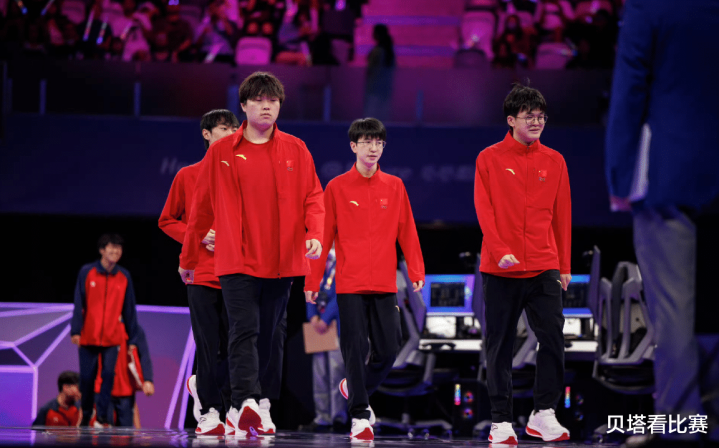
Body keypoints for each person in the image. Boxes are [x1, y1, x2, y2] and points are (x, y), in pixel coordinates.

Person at [178, 71, 324, 438]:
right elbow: (200, 208)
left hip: (282, 261)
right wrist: (188, 258)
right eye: (258, 100)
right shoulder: (222, 152)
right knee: (244, 329)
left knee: (269, 336)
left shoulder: (296, 149)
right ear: (244, 106)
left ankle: (256, 403)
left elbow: (313, 196)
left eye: (272, 100)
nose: (266, 106)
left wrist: (315, 234)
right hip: (236, 259)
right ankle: (244, 401)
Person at [605, 0, 719, 445]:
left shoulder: (649, 6)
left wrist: (619, 176)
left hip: (669, 171)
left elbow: (629, 89)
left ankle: (679, 421)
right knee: (712, 306)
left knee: (673, 307)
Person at [304, 117, 425, 442]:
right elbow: (322, 237)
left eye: (378, 142)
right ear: (353, 146)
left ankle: (355, 388)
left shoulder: (395, 186)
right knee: (353, 351)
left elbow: (408, 230)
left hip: (385, 284)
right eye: (367, 142)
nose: (373, 148)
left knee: (389, 348)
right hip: (349, 285)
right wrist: (312, 282)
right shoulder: (337, 187)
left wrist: (416, 270)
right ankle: (359, 414)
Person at [473, 83, 571, 444]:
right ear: (511, 120)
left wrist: (564, 265)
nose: (537, 122)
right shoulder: (489, 158)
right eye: (529, 116)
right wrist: (499, 250)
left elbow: (562, 215)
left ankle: (544, 413)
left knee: (553, 339)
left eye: (541, 117)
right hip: (500, 268)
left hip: (544, 264)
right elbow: (484, 210)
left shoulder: (555, 160)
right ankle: (500, 420)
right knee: (500, 345)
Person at [159, 109, 239, 435]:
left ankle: (230, 407)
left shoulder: (244, 175)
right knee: (209, 345)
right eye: (223, 128)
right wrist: (199, 235)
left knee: (236, 346)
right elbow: (167, 220)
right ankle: (209, 411)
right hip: (202, 272)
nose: (231, 133)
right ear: (206, 134)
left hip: (237, 272)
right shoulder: (188, 175)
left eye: (234, 129)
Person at [70, 234, 139, 427]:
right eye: (111, 247)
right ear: (102, 250)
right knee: (87, 378)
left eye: (119, 248)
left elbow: (129, 308)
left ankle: (101, 416)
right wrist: (75, 330)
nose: (115, 251)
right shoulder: (87, 272)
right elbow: (78, 301)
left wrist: (132, 339)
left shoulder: (124, 276)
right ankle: (86, 413)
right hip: (88, 335)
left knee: (108, 375)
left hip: (112, 337)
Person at [303, 246, 347, 433]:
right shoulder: (316, 260)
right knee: (319, 375)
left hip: (335, 325)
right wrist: (313, 316)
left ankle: (338, 417)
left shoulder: (343, 259)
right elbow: (309, 287)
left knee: (336, 373)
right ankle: (322, 417)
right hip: (318, 327)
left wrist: (326, 319)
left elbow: (341, 293)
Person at [92, 324, 154, 427]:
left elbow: (144, 354)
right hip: (102, 387)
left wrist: (148, 379)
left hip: (125, 388)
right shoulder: (98, 326)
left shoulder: (133, 329)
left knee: (125, 431)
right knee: (104, 430)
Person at [364, 24, 395, 121]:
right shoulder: (389, 52)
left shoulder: (378, 51)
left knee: (371, 116)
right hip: (385, 90)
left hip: (374, 89)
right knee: (382, 117)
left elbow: (371, 70)